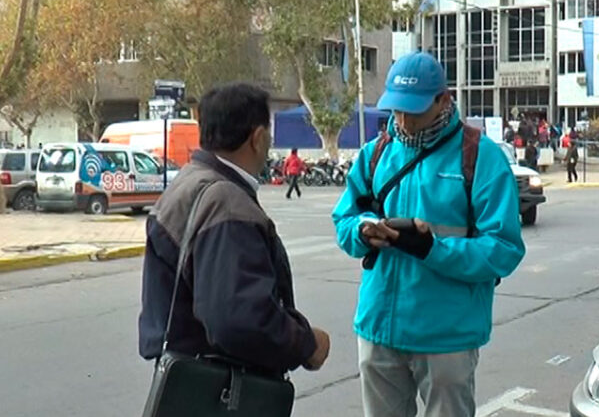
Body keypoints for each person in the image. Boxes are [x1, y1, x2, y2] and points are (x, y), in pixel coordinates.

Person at [331, 52, 525, 417]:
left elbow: (504, 248)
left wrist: (432, 248)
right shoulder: (376, 154)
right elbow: (344, 218)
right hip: (378, 327)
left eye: (414, 110)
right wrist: (362, 231)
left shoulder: (480, 157)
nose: (404, 121)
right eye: (397, 110)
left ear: (443, 100)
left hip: (446, 336)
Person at [138, 83, 330, 393]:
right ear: (258, 138)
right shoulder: (226, 202)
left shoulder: (188, 181)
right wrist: (307, 343)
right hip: (218, 390)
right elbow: (238, 318)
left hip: (186, 380)